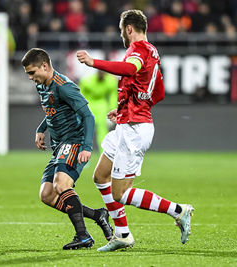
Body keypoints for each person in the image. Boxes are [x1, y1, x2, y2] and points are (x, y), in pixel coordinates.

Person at [76, 9, 194, 252]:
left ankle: (179, 211)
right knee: (100, 177)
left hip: (134, 130)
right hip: (127, 123)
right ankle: (122, 234)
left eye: (122, 30)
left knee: (120, 193)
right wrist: (126, 109)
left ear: (128, 28)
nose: (122, 34)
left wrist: (92, 62)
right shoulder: (153, 51)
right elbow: (158, 92)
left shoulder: (138, 50)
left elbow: (129, 70)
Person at [21, 48, 113, 250]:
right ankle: (98, 215)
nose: (30, 77)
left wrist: (87, 147)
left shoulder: (65, 86)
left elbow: (88, 115)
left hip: (74, 141)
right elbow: (52, 112)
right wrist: (41, 129)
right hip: (59, 146)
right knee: (47, 195)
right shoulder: (42, 85)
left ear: (45, 66)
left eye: (32, 72)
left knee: (62, 184)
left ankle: (83, 236)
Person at [78, 71, 118, 153]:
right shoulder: (87, 81)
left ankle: (104, 154)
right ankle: (81, 154)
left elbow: (113, 97)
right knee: (84, 132)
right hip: (88, 105)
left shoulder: (110, 81)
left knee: (102, 133)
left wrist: (112, 110)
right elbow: (80, 95)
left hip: (102, 107)